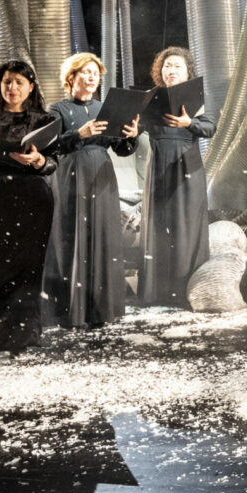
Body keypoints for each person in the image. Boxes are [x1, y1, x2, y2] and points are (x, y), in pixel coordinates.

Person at [43, 52, 139, 328]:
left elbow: (121, 149)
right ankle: (72, 311)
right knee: (73, 237)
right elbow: (51, 145)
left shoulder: (103, 108)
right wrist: (79, 135)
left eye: (95, 73)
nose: (92, 77)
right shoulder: (57, 109)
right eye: (85, 72)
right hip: (71, 176)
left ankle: (101, 311)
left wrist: (130, 136)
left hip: (102, 175)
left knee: (103, 237)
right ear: (71, 77)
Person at [0, 61, 57, 354]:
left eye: (18, 82)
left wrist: (38, 161)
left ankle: (22, 338)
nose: (12, 88)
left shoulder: (43, 121)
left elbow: (52, 163)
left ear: (30, 87)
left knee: (26, 270)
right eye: (7, 82)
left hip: (32, 201)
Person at [137, 46, 216, 306]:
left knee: (186, 224)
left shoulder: (196, 98)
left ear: (187, 72)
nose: (171, 70)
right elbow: (136, 128)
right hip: (159, 163)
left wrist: (188, 123)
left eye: (177, 66)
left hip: (186, 165)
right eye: (167, 65)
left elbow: (210, 127)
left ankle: (185, 291)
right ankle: (157, 293)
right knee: (158, 223)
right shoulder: (151, 98)